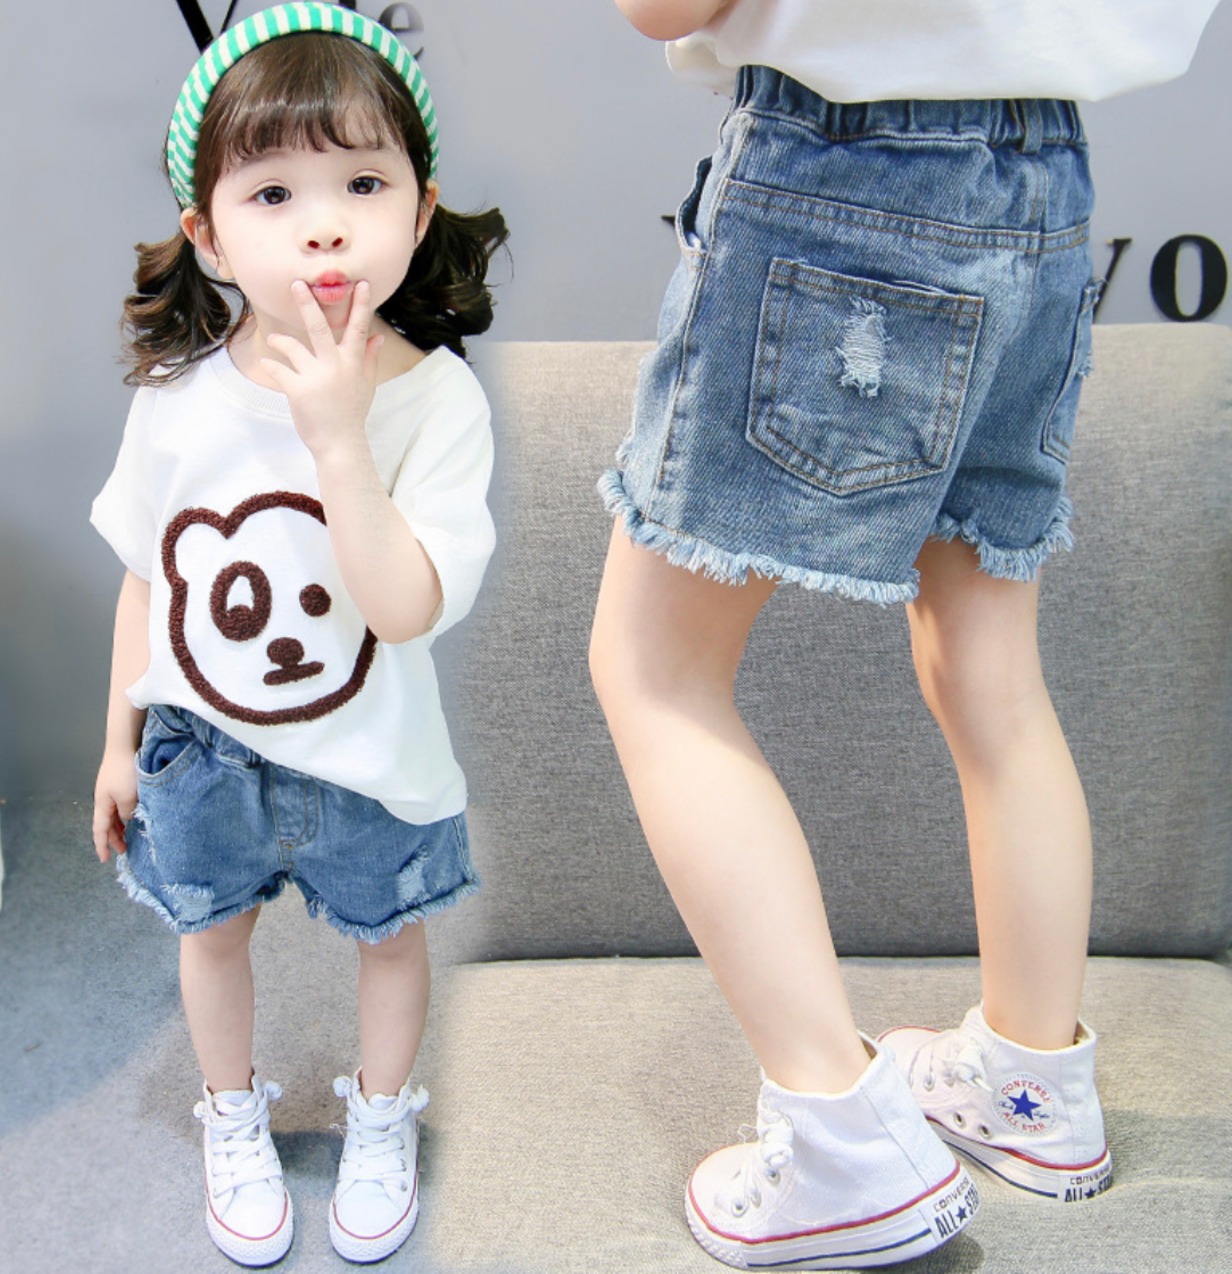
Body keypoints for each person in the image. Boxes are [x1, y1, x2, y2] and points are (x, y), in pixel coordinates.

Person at [592, 0, 1219, 1268]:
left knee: (654, 671)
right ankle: (1031, 1089)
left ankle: (843, 1145)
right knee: (988, 664)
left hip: (841, 167)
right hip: (1041, 180)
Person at [89, 5, 506, 1265]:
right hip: (204, 752)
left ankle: (380, 1115)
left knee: (391, 936)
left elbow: (404, 605)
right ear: (209, 235)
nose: (323, 224)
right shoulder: (177, 398)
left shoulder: (435, 401)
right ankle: (232, 1115)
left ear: (418, 211)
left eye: (362, 183)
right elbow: (148, 579)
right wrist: (118, 743)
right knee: (210, 933)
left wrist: (336, 438)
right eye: (273, 193)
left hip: (369, 755)